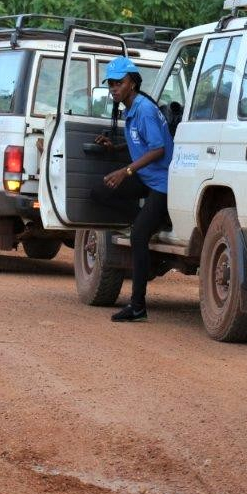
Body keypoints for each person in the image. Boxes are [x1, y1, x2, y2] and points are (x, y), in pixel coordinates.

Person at [92, 56, 174, 322]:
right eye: (111, 84)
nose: (114, 88)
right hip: (145, 178)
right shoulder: (130, 109)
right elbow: (140, 144)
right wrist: (114, 148)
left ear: (133, 83)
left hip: (162, 182)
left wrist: (126, 171)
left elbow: (158, 149)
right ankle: (147, 220)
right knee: (99, 193)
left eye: (119, 83)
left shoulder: (144, 110)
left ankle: (138, 306)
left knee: (138, 236)